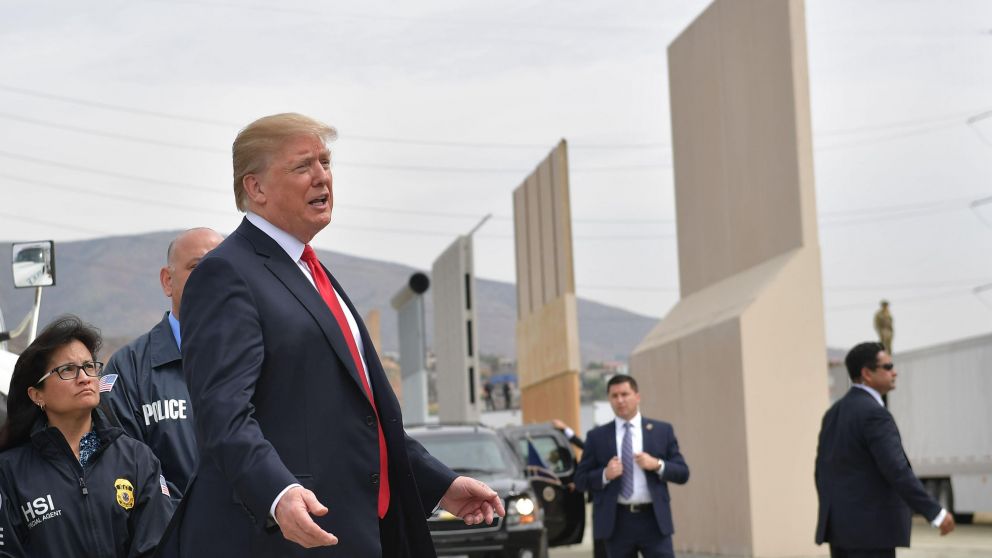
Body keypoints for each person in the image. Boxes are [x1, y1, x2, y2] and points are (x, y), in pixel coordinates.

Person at [160, 113, 503, 557]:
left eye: (325, 162)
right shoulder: (225, 273)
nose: (322, 176)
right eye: (303, 166)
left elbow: (360, 418)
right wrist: (278, 493)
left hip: (363, 532)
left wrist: (440, 483)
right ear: (256, 188)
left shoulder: (310, 273)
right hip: (294, 539)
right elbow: (222, 415)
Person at [0, 316, 173, 557]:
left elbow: (161, 547)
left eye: (89, 366)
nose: (84, 377)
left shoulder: (137, 460)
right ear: (37, 394)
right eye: (67, 370)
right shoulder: (9, 473)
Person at [101, 228, 223, 500]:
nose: (210, 277)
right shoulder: (127, 369)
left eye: (220, 267)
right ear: (168, 281)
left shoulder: (260, 356)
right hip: (169, 538)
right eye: (196, 266)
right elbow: (120, 471)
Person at [815, 342, 954, 557]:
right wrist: (935, 512)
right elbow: (896, 469)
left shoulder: (833, 412)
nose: (894, 372)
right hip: (871, 533)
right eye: (888, 367)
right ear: (867, 373)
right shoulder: (874, 414)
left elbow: (821, 471)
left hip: (840, 531)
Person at [575, 374, 689, 558]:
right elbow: (580, 481)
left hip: (654, 521)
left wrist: (657, 464)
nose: (620, 400)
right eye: (614, 396)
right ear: (609, 400)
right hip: (617, 522)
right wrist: (605, 474)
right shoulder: (597, 437)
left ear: (637, 397)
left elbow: (683, 473)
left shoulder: (662, 431)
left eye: (625, 394)